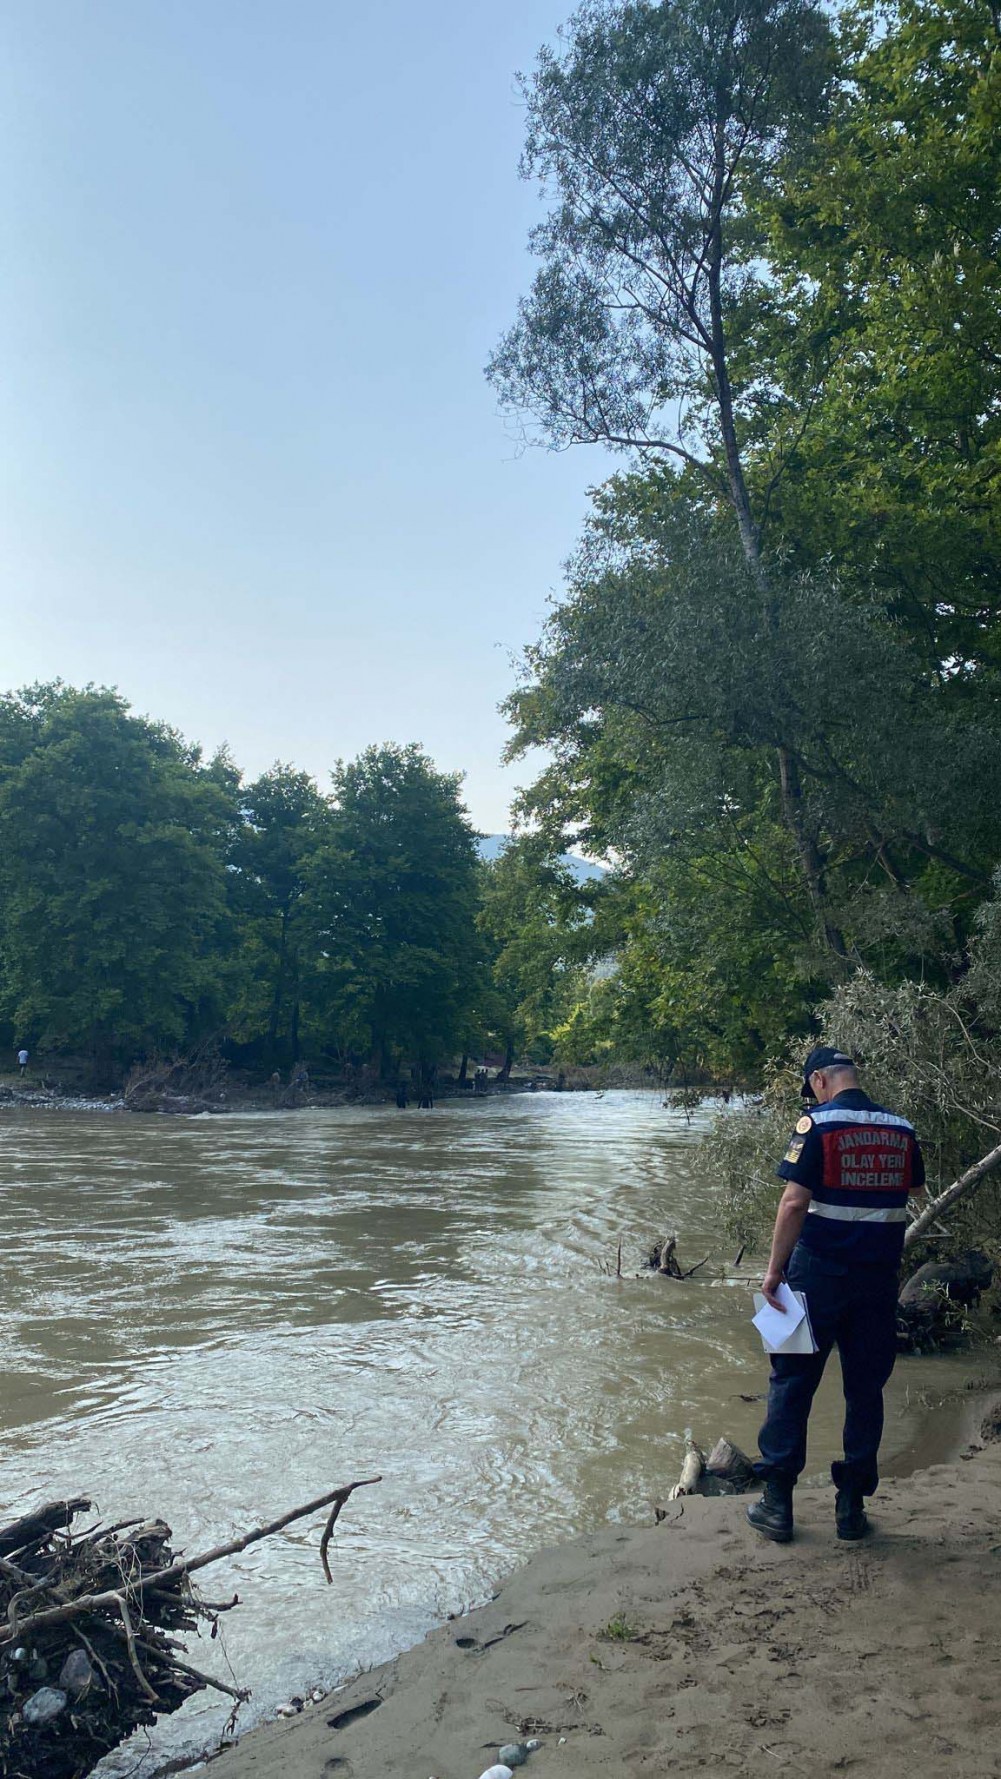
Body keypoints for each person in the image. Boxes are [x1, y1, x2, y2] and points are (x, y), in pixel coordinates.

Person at [746, 1045, 925, 1545]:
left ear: (820, 1080)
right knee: (865, 1390)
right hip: (878, 1280)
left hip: (816, 1276)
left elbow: (793, 1203)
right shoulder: (901, 1128)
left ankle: (777, 1504)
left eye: (812, 1088)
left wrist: (773, 1271)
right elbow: (913, 1190)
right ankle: (851, 1508)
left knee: (791, 1382)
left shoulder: (817, 1125)